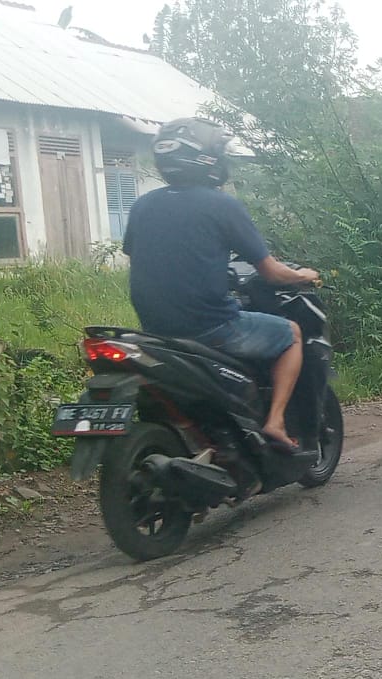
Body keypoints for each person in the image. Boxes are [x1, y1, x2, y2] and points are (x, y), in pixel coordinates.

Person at [124, 117, 319, 452]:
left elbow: (145, 255)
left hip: (155, 331)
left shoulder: (143, 205)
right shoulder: (221, 204)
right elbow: (271, 273)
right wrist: (304, 275)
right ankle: (274, 422)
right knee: (292, 334)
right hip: (212, 326)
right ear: (208, 158)